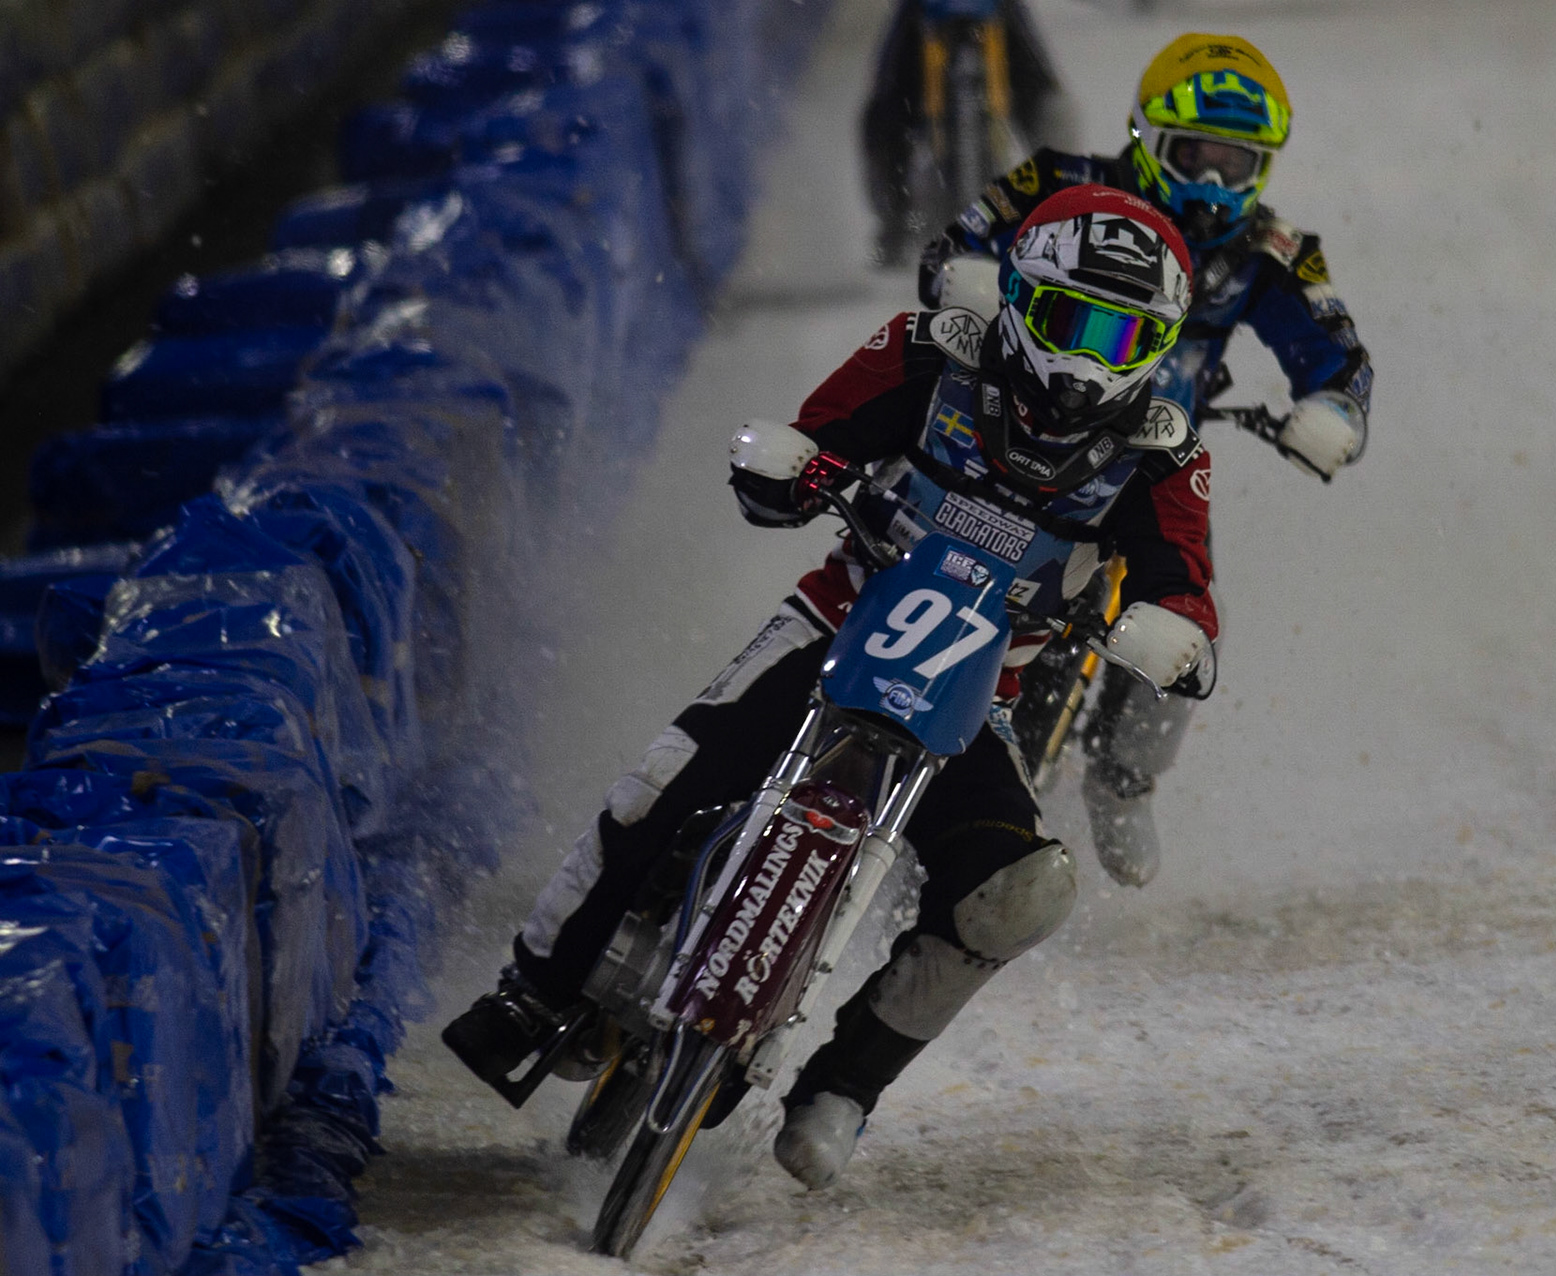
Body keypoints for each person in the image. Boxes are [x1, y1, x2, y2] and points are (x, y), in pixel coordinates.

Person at [443, 185, 1220, 1190]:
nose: (1087, 359)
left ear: (1160, 346)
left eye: (1123, 337)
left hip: (978, 694)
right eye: (1072, 321)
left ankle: (842, 1087)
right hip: (837, 618)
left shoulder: (1165, 455)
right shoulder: (932, 349)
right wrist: (798, 468)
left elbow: (1183, 587)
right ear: (1021, 302)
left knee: (1021, 889)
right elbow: (821, 435)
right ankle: (535, 985)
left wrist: (1173, 634)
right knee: (667, 777)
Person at [917, 32, 1374, 889]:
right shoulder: (1055, 182)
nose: (1211, 183)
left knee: (1186, 611)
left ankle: (1123, 781)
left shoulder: (1273, 253)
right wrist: (970, 281)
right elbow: (955, 245)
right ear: (1145, 137)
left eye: (1236, 165)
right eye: (1195, 156)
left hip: (1137, 472)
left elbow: (1338, 352)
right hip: (999, 426)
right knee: (893, 519)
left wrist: (1333, 409)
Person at [861, 0, 1078, 265]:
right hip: (926, 11)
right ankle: (896, 219)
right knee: (885, 111)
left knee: (1047, 102)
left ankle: (1059, 208)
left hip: (992, 8)